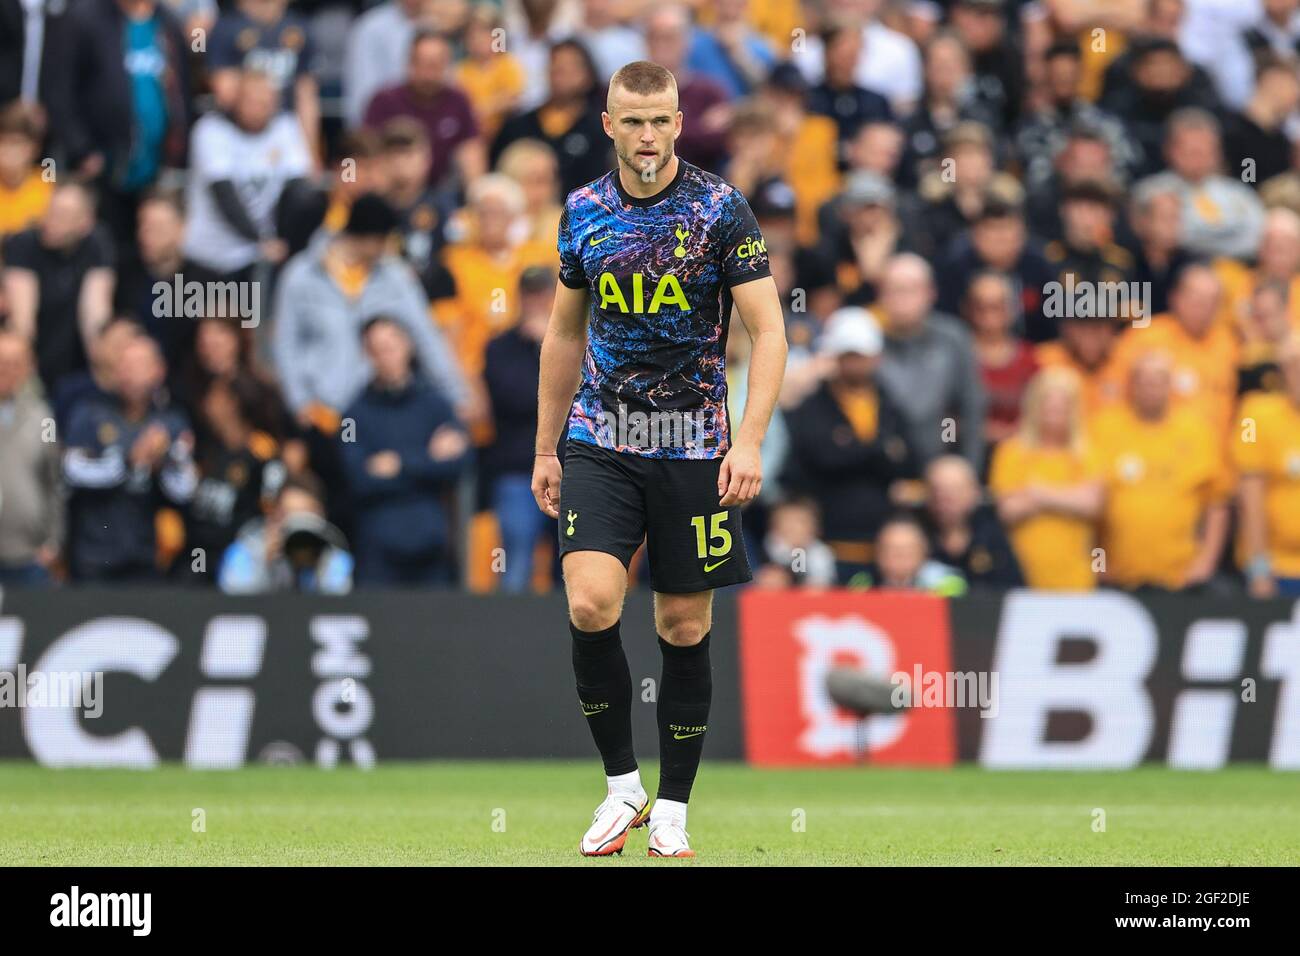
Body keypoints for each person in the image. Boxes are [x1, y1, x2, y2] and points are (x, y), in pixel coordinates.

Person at [530, 61, 786, 859]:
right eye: (633, 121)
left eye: (662, 120)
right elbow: (565, 334)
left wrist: (748, 440)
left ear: (680, 122)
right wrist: (546, 445)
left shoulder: (720, 208)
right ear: (608, 123)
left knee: (682, 622)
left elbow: (769, 333)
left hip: (695, 447)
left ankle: (671, 806)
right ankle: (621, 787)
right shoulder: (583, 212)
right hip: (602, 438)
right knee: (590, 601)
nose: (648, 136)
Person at [781, 306, 916, 582]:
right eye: (849, 356)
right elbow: (819, 457)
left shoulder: (889, 403)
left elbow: (908, 460)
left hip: (883, 550)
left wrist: (850, 450)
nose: (855, 364)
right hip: (826, 545)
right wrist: (877, 452)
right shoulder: (814, 406)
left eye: (861, 356)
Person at [340, 317, 470, 587]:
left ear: (407, 345)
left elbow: (460, 463)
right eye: (376, 350)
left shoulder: (436, 404)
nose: (386, 356)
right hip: (378, 550)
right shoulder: (353, 415)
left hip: (431, 546)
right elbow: (357, 478)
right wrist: (429, 459)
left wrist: (398, 463)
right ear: (367, 355)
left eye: (391, 346)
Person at [1089, 350, 1233, 592]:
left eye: (1158, 381)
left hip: (1180, 577)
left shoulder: (1196, 431)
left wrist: (1205, 562)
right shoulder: (1104, 427)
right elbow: (1089, 501)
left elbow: (1216, 503)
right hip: (1116, 576)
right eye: (1143, 381)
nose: (1151, 389)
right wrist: (1097, 563)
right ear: (1131, 385)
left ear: (1170, 385)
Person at [62, 334, 197, 582]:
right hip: (94, 554)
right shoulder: (90, 413)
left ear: (159, 370)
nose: (129, 374)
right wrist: (129, 460)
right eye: (124, 365)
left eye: (138, 366)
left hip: (146, 555)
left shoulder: (171, 421)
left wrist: (164, 460)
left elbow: (186, 490)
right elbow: (71, 470)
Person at [183, 67, 312, 283]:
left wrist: (283, 242)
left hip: (256, 256)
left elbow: (299, 186)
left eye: (266, 103)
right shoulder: (210, 130)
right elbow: (225, 195)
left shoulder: (285, 127)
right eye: (252, 101)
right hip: (211, 253)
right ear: (237, 100)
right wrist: (260, 239)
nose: (259, 109)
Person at [988, 368, 1104, 591]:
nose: (1054, 414)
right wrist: (1069, 497)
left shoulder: (1087, 453)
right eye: (1048, 406)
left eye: (1061, 408)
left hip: (1075, 577)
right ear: (1034, 407)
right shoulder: (1012, 451)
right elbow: (1008, 510)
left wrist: (1037, 493)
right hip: (1018, 574)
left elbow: (1092, 505)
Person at [1, 182, 115, 396]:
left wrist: (103, 367)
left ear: (85, 222)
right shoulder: (23, 243)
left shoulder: (97, 243)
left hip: (75, 358)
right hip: (33, 355)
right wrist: (24, 374)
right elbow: (23, 321)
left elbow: (96, 315)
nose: (52, 220)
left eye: (64, 214)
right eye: (51, 210)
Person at [483, 267, 557, 593]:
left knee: (575, 566)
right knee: (515, 565)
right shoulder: (499, 348)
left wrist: (553, 344)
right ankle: (509, 640)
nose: (536, 303)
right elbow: (516, 398)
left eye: (543, 295)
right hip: (518, 472)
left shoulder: (582, 343)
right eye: (530, 295)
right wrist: (544, 351)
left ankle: (579, 641)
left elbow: (584, 397)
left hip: (574, 470)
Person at [1234, 342, 1300, 597]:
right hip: (1276, 568)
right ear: (1282, 373)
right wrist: (1259, 569)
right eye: (1294, 368)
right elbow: (1250, 500)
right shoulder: (1255, 415)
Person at [218, 472, 352, 593]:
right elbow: (235, 603)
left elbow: (337, 604)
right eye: (289, 513)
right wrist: (264, 562)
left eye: (306, 513)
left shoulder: (332, 554)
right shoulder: (246, 549)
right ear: (275, 516)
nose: (299, 521)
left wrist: (319, 566)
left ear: (321, 516)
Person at [0, 331, 62, 586]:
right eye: (1, 362)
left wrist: (54, 541)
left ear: (29, 367)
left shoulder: (43, 417)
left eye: (15, 363)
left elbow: (55, 480)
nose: (7, 371)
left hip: (29, 555)